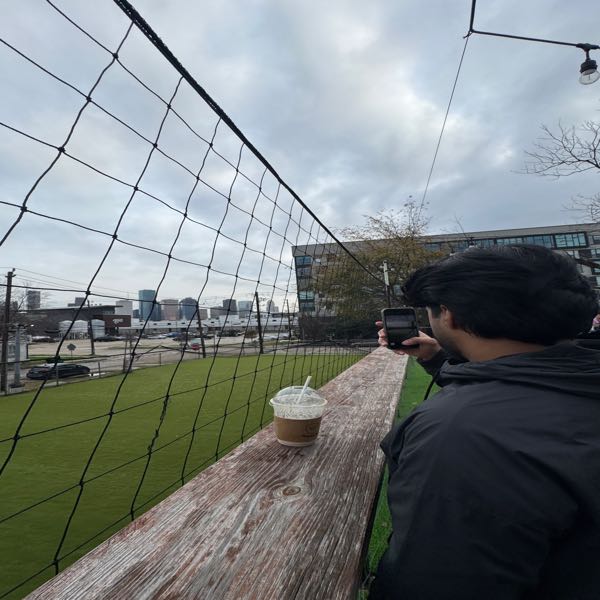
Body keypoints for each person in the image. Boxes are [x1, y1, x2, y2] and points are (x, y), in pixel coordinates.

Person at [370, 244, 600, 600]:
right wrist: (438, 358)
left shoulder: (459, 437)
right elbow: (525, 390)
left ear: (448, 315)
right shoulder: (578, 382)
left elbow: (435, 581)